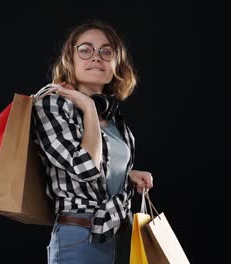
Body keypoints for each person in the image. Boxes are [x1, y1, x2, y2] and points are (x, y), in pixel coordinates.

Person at [32, 19, 154, 264]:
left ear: (116, 64)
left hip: (120, 233)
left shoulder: (117, 122)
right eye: (85, 50)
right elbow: (87, 168)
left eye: (106, 51)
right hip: (79, 236)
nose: (96, 57)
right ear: (70, 59)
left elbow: (101, 174)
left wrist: (126, 175)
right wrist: (87, 106)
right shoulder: (51, 105)